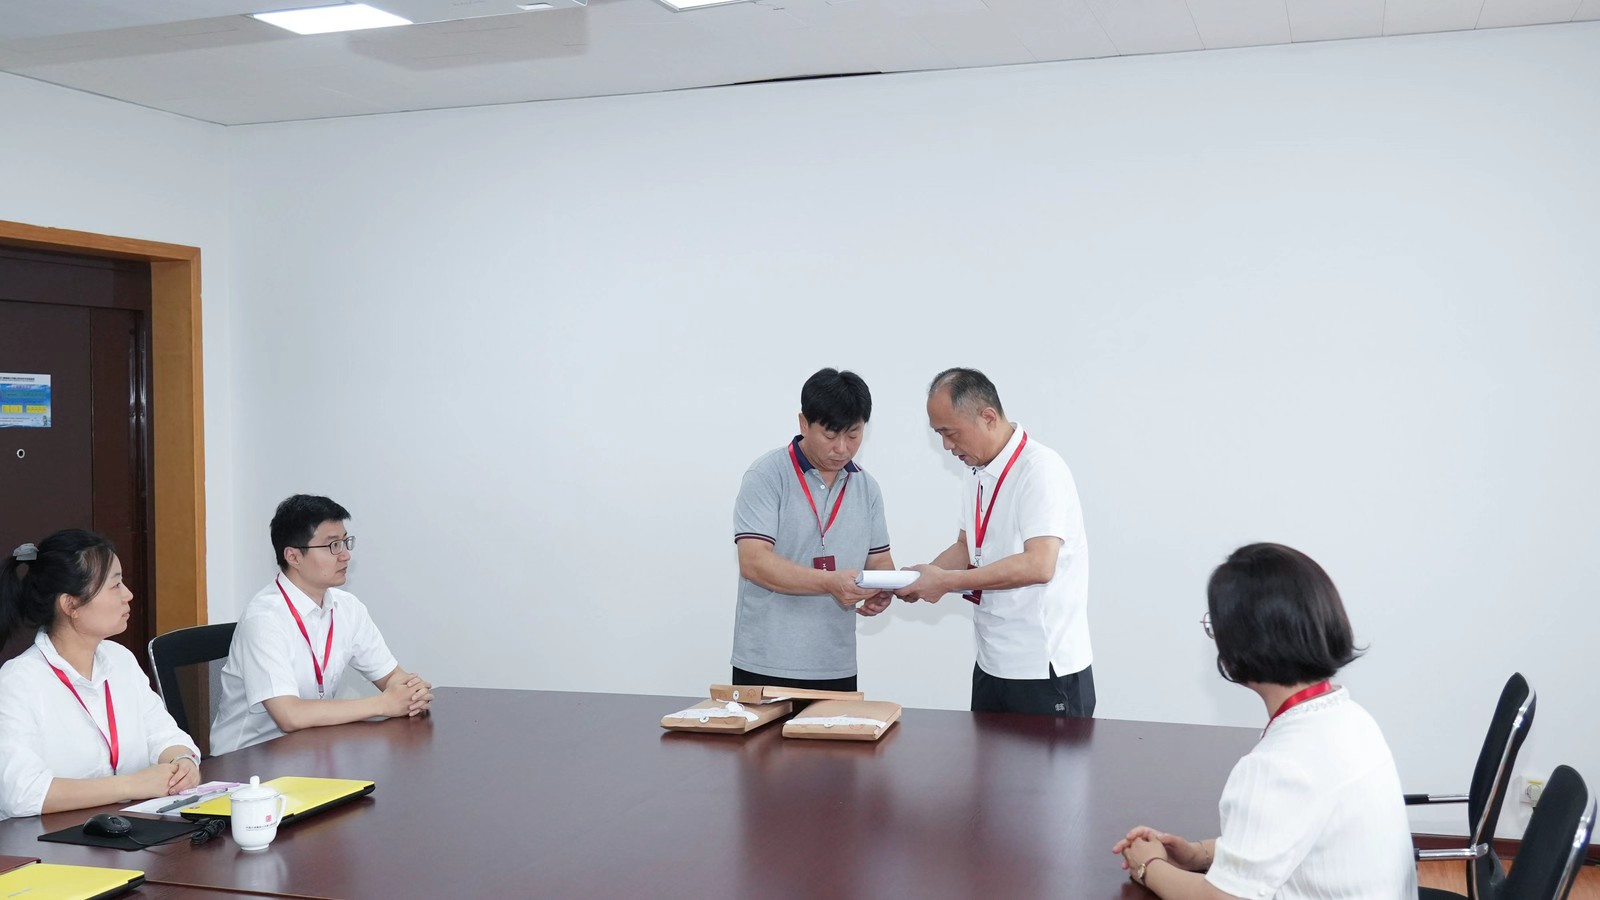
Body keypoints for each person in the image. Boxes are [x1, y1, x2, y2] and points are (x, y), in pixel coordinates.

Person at [1112, 543, 1417, 899]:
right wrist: (1198, 854)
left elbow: (1221, 898)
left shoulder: (1277, 766)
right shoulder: (1351, 718)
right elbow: (1290, 830)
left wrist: (1148, 866)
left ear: (1243, 641)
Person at [895, 367, 1093, 716]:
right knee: (984, 755)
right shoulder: (975, 471)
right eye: (939, 434)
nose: (946, 446)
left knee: (1045, 757)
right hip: (992, 664)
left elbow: (1039, 564)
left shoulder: (1040, 469)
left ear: (988, 417)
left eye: (951, 433)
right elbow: (965, 546)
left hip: (1042, 668)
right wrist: (916, 579)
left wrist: (946, 582)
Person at [0, 530, 201, 820]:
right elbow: (21, 793)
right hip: (52, 840)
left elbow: (164, 734)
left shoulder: (120, 659)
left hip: (131, 826)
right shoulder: (18, 682)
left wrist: (182, 761)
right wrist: (131, 785)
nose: (128, 595)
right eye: (115, 585)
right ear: (70, 605)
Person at [209, 495, 433, 755]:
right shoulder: (264, 619)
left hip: (311, 749)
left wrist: (411, 691)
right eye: (333, 545)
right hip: (248, 762)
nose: (346, 555)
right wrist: (384, 704)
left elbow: (393, 677)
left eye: (345, 542)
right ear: (293, 556)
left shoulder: (347, 608)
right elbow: (289, 715)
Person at [731, 368, 896, 692]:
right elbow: (754, 562)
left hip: (836, 664)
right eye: (831, 435)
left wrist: (883, 589)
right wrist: (830, 582)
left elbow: (880, 562)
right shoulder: (767, 475)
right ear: (804, 423)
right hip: (766, 664)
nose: (842, 448)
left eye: (853, 435)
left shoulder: (867, 487)